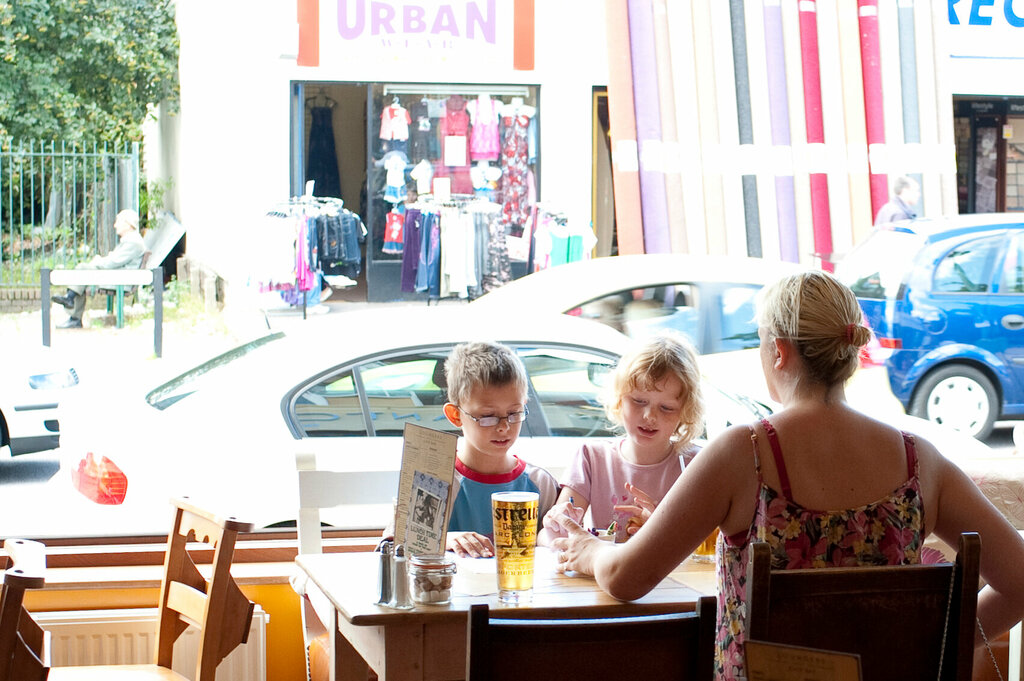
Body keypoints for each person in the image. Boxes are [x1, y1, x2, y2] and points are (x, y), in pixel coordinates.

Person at [550, 270, 1024, 681]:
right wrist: (933, 642)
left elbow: (627, 578)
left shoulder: (745, 454)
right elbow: (1021, 582)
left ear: (778, 351)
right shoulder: (921, 461)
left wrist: (590, 550)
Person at [538, 333, 704, 546]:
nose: (650, 416)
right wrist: (555, 524)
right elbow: (549, 537)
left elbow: (707, 547)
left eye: (666, 408)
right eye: (638, 401)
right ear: (619, 399)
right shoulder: (591, 457)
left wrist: (661, 531)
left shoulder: (696, 465)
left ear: (686, 411)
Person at [441, 341, 559, 558]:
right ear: (455, 415)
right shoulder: (435, 482)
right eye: (487, 416)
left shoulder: (541, 484)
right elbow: (395, 547)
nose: (504, 427)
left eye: (514, 413)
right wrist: (443, 540)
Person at [50, 209, 146, 328]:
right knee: (81, 275)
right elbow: (115, 260)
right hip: (118, 276)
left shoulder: (133, 242)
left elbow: (113, 262)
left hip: (121, 279)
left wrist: (97, 261)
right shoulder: (130, 240)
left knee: (82, 269)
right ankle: (71, 304)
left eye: (118, 221)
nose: (115, 225)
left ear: (128, 224)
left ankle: (72, 306)